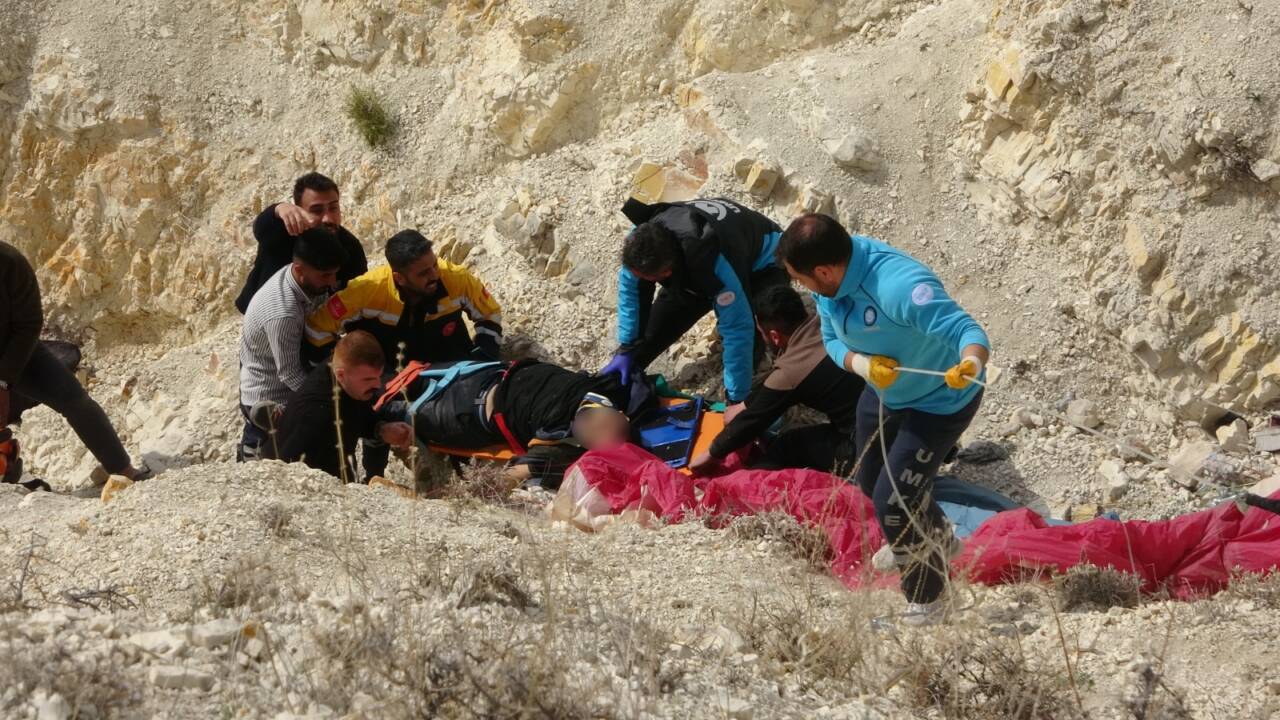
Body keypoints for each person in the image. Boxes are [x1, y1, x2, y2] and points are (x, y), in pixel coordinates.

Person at [776, 213, 990, 626]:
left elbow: (969, 331)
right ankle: (939, 536)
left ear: (823, 270)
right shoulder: (830, 283)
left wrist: (969, 363)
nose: (802, 287)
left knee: (895, 504)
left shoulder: (899, 288)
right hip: (882, 391)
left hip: (938, 402)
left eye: (801, 279)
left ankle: (928, 601)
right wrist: (862, 365)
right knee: (871, 483)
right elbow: (833, 338)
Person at [601, 197, 787, 418]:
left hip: (765, 264)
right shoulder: (642, 236)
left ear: (666, 273)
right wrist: (627, 346)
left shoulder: (714, 265)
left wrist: (736, 397)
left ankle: (743, 393)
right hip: (692, 260)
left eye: (649, 278)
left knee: (753, 324)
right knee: (645, 343)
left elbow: (738, 328)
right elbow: (631, 289)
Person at [1, 241, 148, 485]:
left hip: (18, 350)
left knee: (75, 401)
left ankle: (123, 470)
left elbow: (29, 322)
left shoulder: (9, 262)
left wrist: (3, 380)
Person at [688, 284, 865, 476]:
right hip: (888, 418)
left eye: (762, 333)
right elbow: (770, 391)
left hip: (864, 448)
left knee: (788, 445)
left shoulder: (792, 371)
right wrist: (746, 404)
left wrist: (708, 455)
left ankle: (751, 485)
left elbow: (752, 421)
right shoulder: (826, 324)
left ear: (774, 336)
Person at [385, 358, 635, 490]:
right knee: (387, 415)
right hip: (467, 412)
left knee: (385, 392)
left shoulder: (606, 388)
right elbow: (512, 476)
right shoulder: (555, 434)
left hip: (481, 372)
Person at [305, 229, 503, 366]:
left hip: (452, 367)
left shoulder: (457, 279)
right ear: (399, 278)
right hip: (390, 377)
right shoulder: (366, 290)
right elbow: (317, 329)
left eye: (434, 265)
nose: (435, 274)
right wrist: (343, 371)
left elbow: (490, 313)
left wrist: (483, 357)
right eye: (423, 273)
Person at [238, 227, 347, 461]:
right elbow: (289, 373)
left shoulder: (302, 282)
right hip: (269, 395)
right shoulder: (283, 313)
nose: (332, 282)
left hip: (284, 382)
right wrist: (329, 399)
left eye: (334, 274)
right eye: (325, 275)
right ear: (299, 270)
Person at [271, 331, 412, 482]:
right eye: (368, 379)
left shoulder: (343, 378)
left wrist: (381, 429)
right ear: (341, 375)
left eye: (379, 376)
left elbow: (356, 414)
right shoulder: (316, 415)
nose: (378, 385)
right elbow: (287, 473)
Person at [234, 172, 368, 314]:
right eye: (317, 211)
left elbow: (355, 292)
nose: (327, 218)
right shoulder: (282, 233)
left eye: (333, 208)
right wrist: (279, 208)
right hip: (266, 316)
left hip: (315, 322)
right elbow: (261, 228)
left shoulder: (349, 246)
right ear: (299, 211)